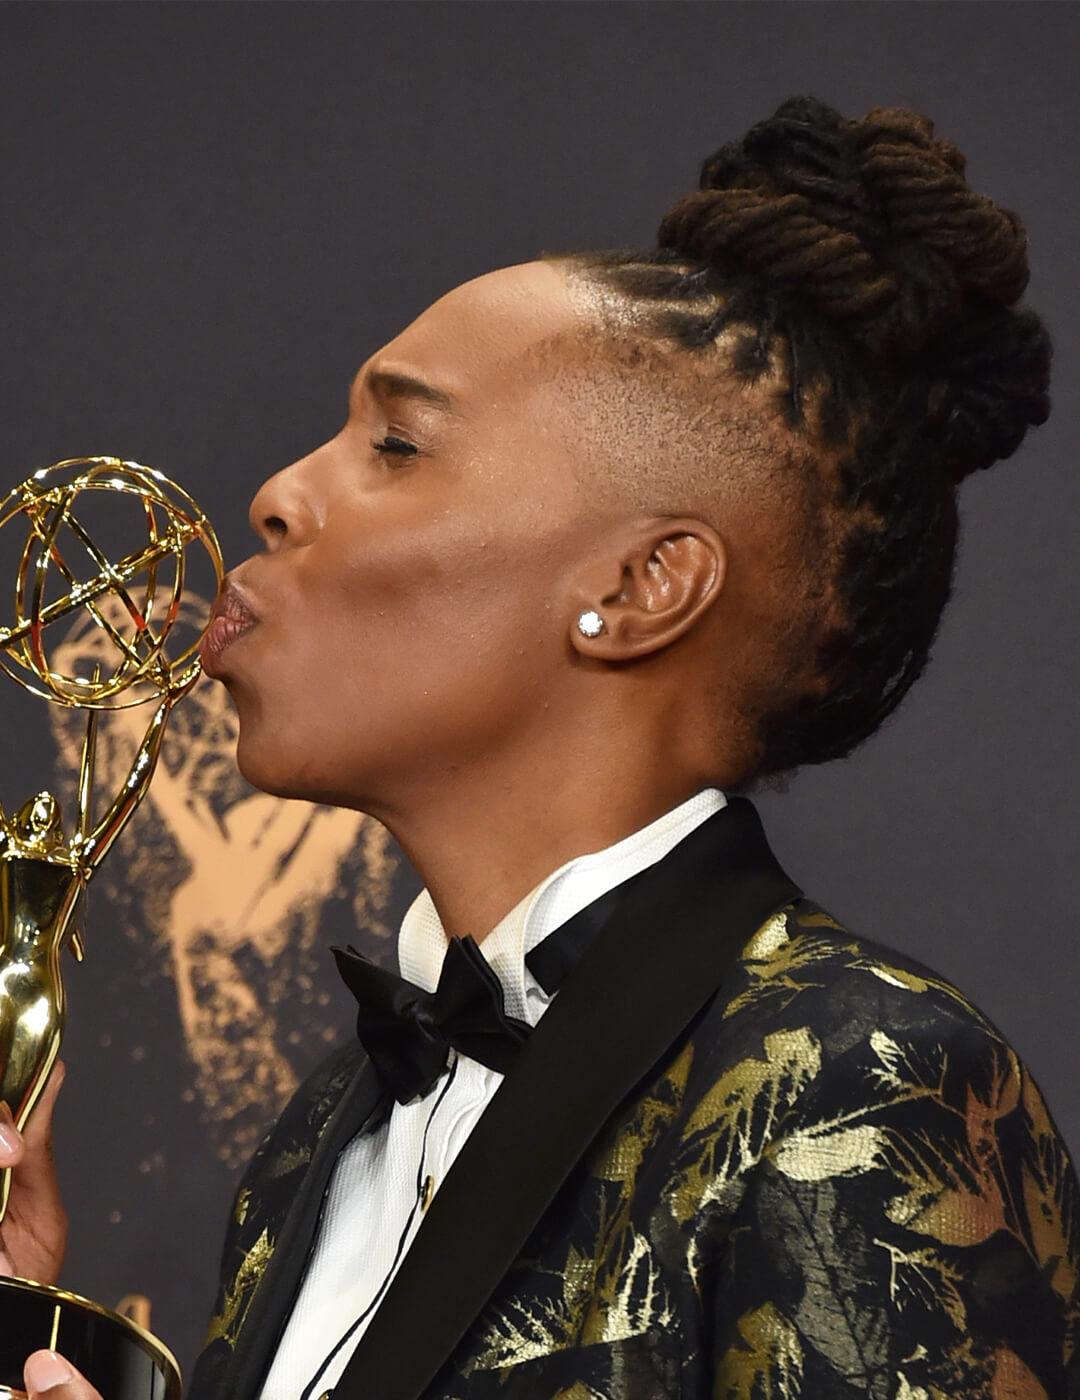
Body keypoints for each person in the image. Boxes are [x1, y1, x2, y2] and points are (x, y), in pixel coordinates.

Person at [3, 94, 1077, 1399]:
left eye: (396, 444)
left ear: (639, 590)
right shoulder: (320, 1141)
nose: (280, 495)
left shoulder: (865, 1081)